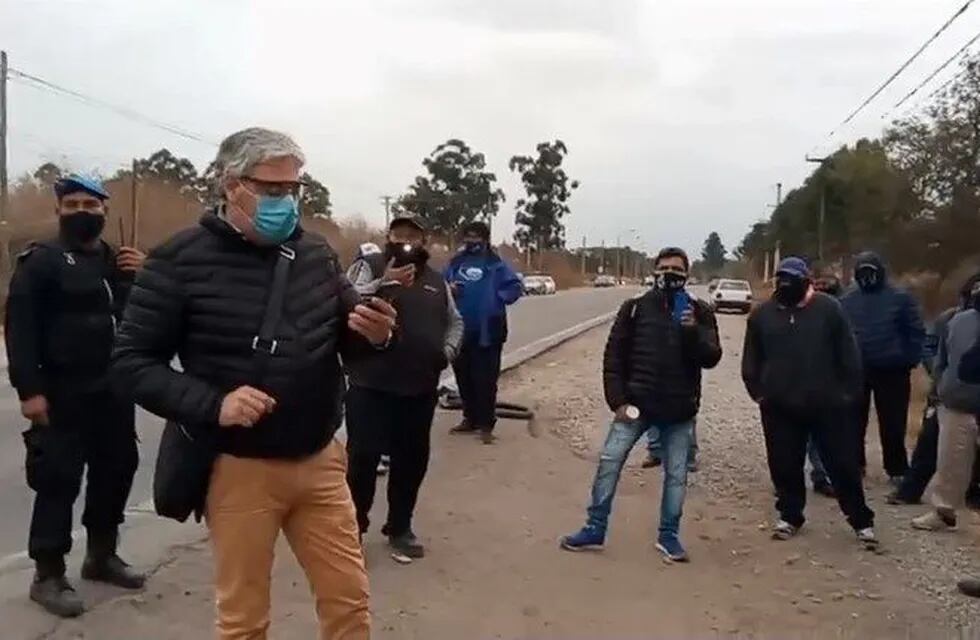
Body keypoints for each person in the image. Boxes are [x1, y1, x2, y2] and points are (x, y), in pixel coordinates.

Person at [111, 128, 396, 639]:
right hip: (239, 469)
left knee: (349, 604)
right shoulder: (179, 261)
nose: (284, 202)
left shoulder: (315, 252)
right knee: (243, 619)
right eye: (272, 189)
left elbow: (340, 332)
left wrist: (372, 334)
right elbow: (131, 362)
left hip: (320, 460)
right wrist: (213, 403)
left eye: (293, 190)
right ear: (230, 184)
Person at [5, 174, 146, 618]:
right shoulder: (42, 261)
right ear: (59, 211)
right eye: (73, 204)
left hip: (114, 389)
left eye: (91, 204)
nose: (83, 212)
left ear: (106, 209)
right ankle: (47, 574)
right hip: (61, 390)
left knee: (116, 470)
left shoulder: (117, 260)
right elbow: (20, 330)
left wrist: (140, 275)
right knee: (58, 480)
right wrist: (30, 391)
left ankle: (101, 556)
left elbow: (138, 317)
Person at [560, 247, 721, 562]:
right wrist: (617, 401)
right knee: (609, 463)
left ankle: (669, 536)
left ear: (687, 275)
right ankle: (594, 527)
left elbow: (711, 358)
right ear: (655, 271)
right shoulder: (634, 308)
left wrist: (691, 332)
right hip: (636, 405)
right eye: (664, 268)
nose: (670, 274)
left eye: (677, 269)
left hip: (679, 411)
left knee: (676, 476)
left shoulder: (700, 311)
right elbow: (613, 356)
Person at [344, 212, 462, 560]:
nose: (406, 240)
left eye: (413, 235)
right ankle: (354, 528)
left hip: (419, 387)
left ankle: (399, 526)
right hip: (370, 383)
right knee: (362, 460)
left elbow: (456, 322)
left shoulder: (437, 281)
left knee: (412, 461)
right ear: (389, 235)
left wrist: (448, 351)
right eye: (399, 233)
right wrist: (384, 281)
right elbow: (344, 298)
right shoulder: (370, 265)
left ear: (424, 242)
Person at [742, 257, 878, 548]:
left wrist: (848, 395)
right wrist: (759, 392)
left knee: (843, 465)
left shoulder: (830, 309)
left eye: (791, 277)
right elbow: (752, 359)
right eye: (780, 278)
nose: (785, 283)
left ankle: (861, 521)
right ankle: (790, 516)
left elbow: (849, 355)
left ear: (806, 280)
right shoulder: (763, 315)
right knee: (784, 464)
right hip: (779, 407)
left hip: (828, 406)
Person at [889, 273, 980, 506]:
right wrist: (939, 381)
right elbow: (935, 351)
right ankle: (910, 491)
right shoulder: (951, 320)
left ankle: (972, 494)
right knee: (930, 447)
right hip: (948, 396)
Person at [841, 252, 925, 485]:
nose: (867, 276)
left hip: (893, 370)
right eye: (862, 271)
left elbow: (916, 331)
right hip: (856, 370)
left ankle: (896, 468)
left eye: (871, 271)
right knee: (852, 421)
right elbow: (839, 335)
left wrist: (909, 359)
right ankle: (854, 465)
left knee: (893, 423)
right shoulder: (847, 300)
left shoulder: (901, 298)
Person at [444, 221, 523, 444]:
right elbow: (440, 284)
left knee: (485, 379)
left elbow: (514, 287)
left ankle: (486, 424)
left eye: (476, 237)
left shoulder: (496, 264)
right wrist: (448, 289)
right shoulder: (455, 263)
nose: (472, 241)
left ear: (485, 239)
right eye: (467, 236)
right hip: (458, 331)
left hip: (489, 331)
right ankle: (469, 418)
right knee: (464, 377)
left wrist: (497, 298)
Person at [910, 280, 980, 533]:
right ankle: (943, 511)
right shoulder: (959, 321)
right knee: (951, 462)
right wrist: (941, 387)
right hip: (957, 403)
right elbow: (942, 357)